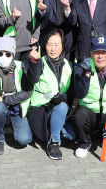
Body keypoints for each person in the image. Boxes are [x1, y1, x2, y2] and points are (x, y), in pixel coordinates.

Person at [24, 29, 74, 160]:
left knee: (72, 135)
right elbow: (32, 79)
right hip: (39, 109)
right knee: (43, 136)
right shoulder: (40, 62)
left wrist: (62, 97)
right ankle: (54, 143)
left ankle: (55, 131)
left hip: (57, 109)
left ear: (62, 46)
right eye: (49, 44)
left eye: (56, 45)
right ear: (45, 46)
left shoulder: (68, 65)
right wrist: (33, 62)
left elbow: (71, 91)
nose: (53, 49)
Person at [0, 37, 33, 155]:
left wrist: (5, 99)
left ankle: (13, 123)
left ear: (13, 55)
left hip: (17, 110)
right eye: (0, 53)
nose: (3, 57)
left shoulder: (21, 67)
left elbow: (27, 92)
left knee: (24, 140)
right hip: (1, 109)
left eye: (8, 54)